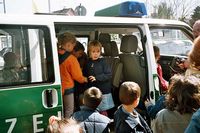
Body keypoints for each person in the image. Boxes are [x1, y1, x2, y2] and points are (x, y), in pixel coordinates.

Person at [57, 32, 88, 118]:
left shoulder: (54, 54)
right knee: (69, 111)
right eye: (73, 46)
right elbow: (78, 77)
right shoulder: (71, 59)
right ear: (68, 45)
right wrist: (85, 79)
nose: (73, 47)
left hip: (57, 88)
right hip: (67, 89)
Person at [83, 40, 114, 116]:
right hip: (93, 91)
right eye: (93, 51)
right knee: (93, 109)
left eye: (98, 51)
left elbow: (109, 74)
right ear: (89, 52)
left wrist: (97, 78)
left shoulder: (103, 62)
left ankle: (105, 122)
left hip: (103, 90)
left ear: (100, 52)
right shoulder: (88, 63)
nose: (96, 53)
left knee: (103, 110)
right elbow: (85, 74)